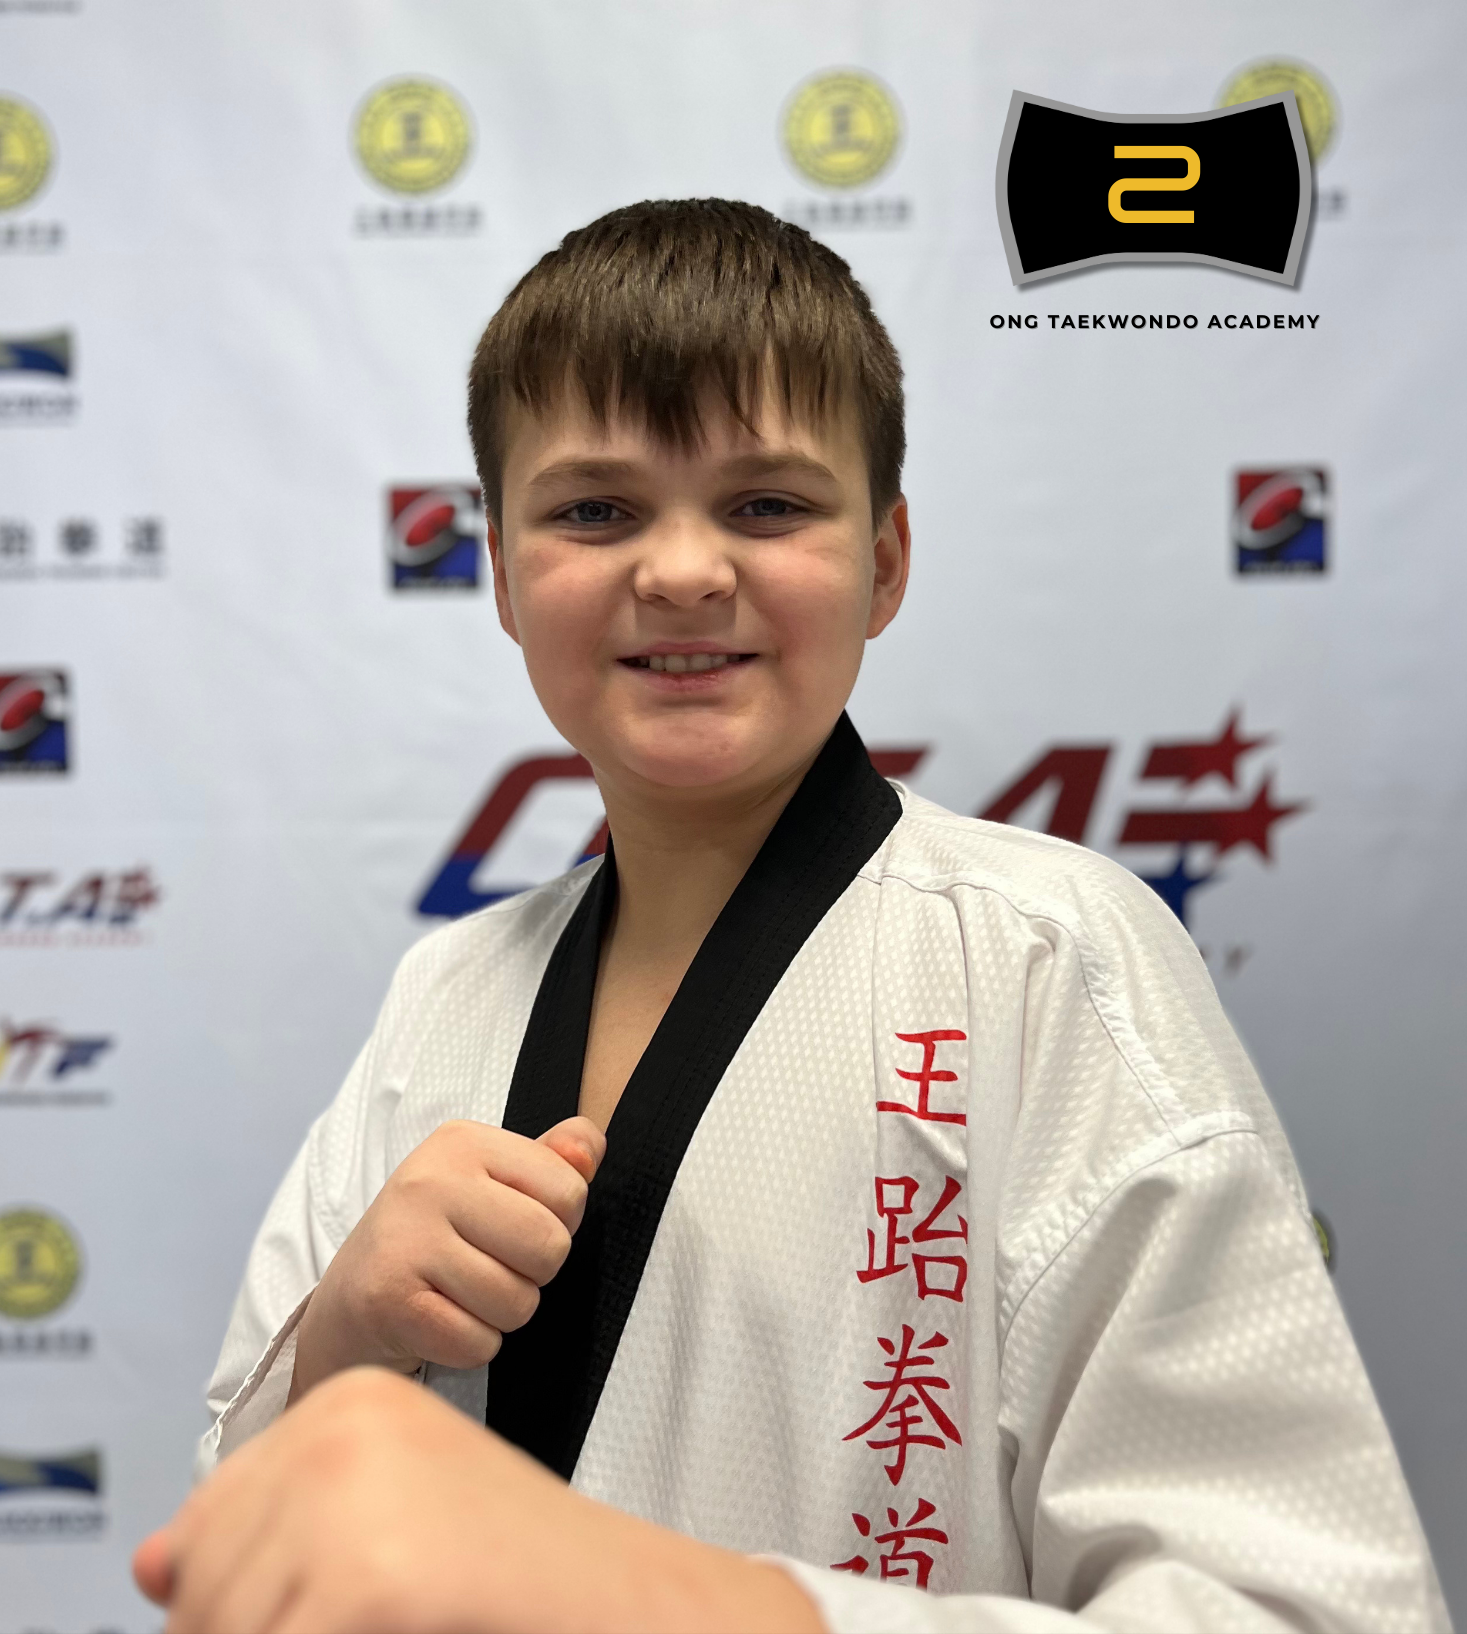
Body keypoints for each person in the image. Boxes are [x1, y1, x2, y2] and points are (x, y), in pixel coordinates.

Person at [135, 199, 1446, 1633]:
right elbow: (233, 1551)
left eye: (765, 504)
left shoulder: (1043, 955)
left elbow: (1309, 1609)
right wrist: (341, 1345)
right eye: (593, 509)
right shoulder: (443, 994)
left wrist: (680, 1602)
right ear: (501, 576)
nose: (684, 570)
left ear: (884, 560)